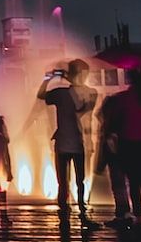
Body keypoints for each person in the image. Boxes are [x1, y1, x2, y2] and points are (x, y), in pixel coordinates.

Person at [37, 59, 101, 229]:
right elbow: (84, 112)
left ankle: (64, 216)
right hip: (78, 143)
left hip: (65, 142)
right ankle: (81, 214)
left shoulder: (60, 93)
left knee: (64, 182)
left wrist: (48, 78)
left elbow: (41, 96)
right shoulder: (90, 93)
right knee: (79, 181)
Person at [100, 66, 141, 228]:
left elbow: (117, 118)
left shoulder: (125, 98)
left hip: (130, 143)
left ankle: (139, 214)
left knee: (134, 182)